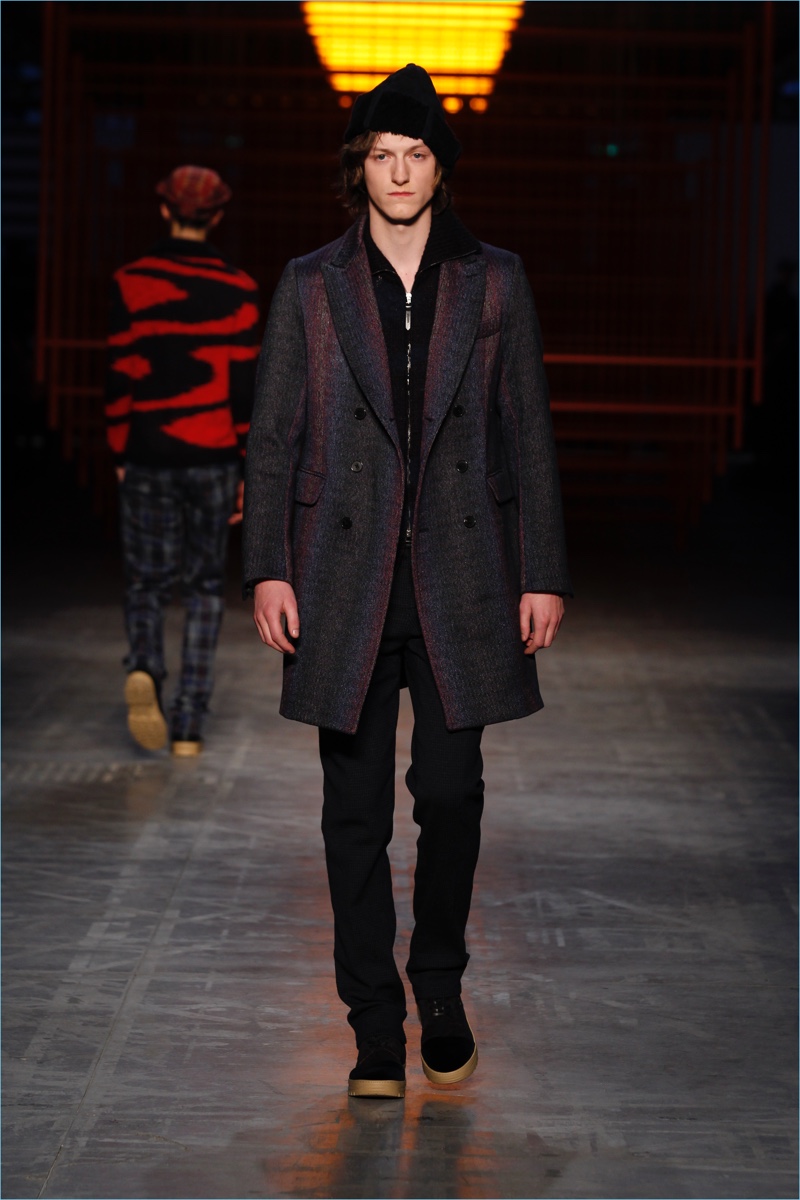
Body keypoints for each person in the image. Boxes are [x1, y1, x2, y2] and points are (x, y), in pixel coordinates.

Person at [243, 65, 571, 1098]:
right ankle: (373, 1029)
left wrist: (542, 571)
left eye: (415, 155)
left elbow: (527, 429)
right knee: (353, 814)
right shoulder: (310, 283)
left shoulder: (495, 280)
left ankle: (438, 987)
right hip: (341, 575)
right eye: (381, 156)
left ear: (439, 168)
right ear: (361, 168)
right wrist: (267, 567)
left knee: (450, 793)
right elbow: (272, 433)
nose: (397, 173)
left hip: (459, 574)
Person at [105, 165, 260, 756]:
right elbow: (244, 390)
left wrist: (119, 449)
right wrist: (246, 468)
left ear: (164, 209)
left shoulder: (130, 282)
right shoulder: (239, 288)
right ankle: (190, 724)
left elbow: (120, 374)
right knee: (203, 587)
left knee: (146, 581)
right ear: (217, 216)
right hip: (214, 456)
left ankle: (146, 664)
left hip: (148, 452)